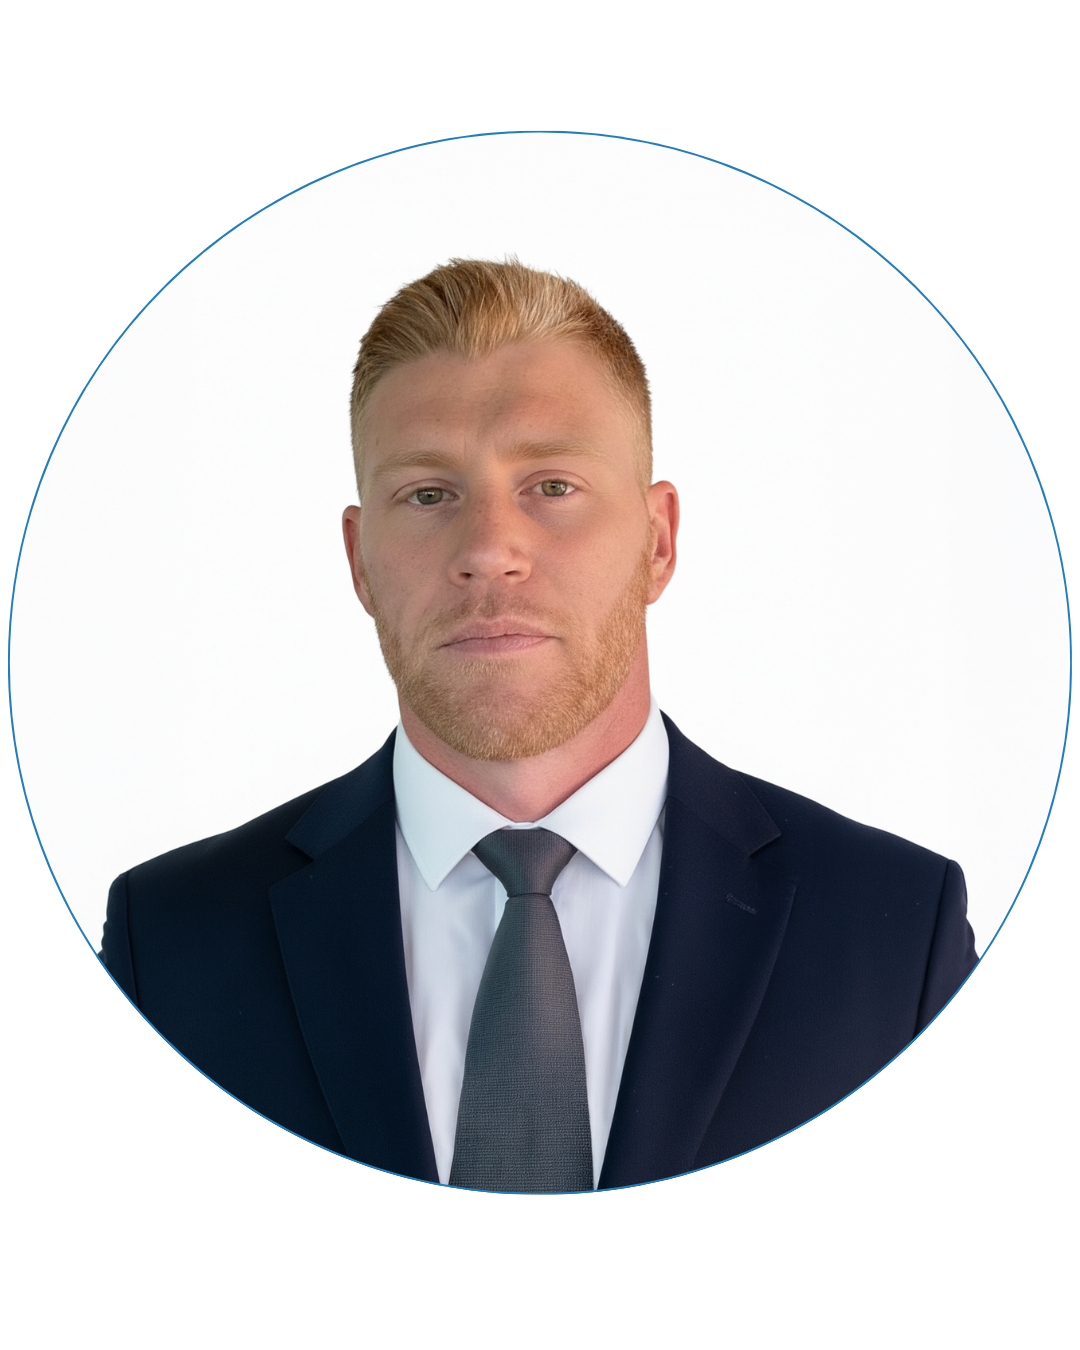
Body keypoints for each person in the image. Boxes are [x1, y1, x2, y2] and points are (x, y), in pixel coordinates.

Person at [101, 258, 977, 1192]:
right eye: (428, 494)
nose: (489, 551)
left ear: (658, 541)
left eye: (552, 486)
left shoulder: (894, 937)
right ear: (359, 561)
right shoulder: (172, 947)